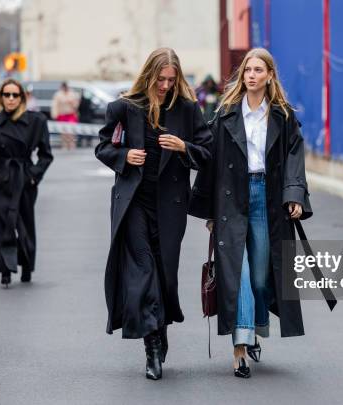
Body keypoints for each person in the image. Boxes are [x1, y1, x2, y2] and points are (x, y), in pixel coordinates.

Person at [189, 48, 312, 379]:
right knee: (236, 273)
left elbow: (294, 157)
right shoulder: (226, 113)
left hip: (267, 198)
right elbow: (211, 162)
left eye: (258, 70)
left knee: (260, 275)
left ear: (269, 75)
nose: (251, 75)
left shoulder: (283, 116)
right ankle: (240, 347)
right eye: (247, 70)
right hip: (232, 198)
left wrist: (294, 195)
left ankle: (255, 325)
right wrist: (210, 211)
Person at [95, 48, 212, 380]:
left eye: (171, 80)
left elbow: (207, 152)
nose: (165, 86)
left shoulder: (188, 109)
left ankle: (160, 329)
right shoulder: (124, 107)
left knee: (164, 273)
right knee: (142, 269)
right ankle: (152, 348)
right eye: (160, 79)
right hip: (133, 203)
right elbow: (103, 146)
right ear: (148, 75)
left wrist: (184, 148)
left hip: (170, 205)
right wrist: (124, 156)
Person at [0, 78, 53, 287]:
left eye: (15, 95)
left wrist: (33, 176)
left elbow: (46, 155)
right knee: (0, 225)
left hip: (24, 179)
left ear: (22, 98)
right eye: (6, 94)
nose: (10, 99)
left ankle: (27, 266)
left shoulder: (36, 121)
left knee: (25, 224)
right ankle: (5, 269)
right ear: (0, 97)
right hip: (0, 180)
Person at [51, 82, 80, 150]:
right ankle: (64, 145)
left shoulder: (72, 94)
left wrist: (72, 103)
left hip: (71, 115)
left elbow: (76, 105)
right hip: (62, 115)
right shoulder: (58, 95)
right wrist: (55, 114)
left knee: (71, 131)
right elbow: (55, 105)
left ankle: (72, 145)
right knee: (63, 132)